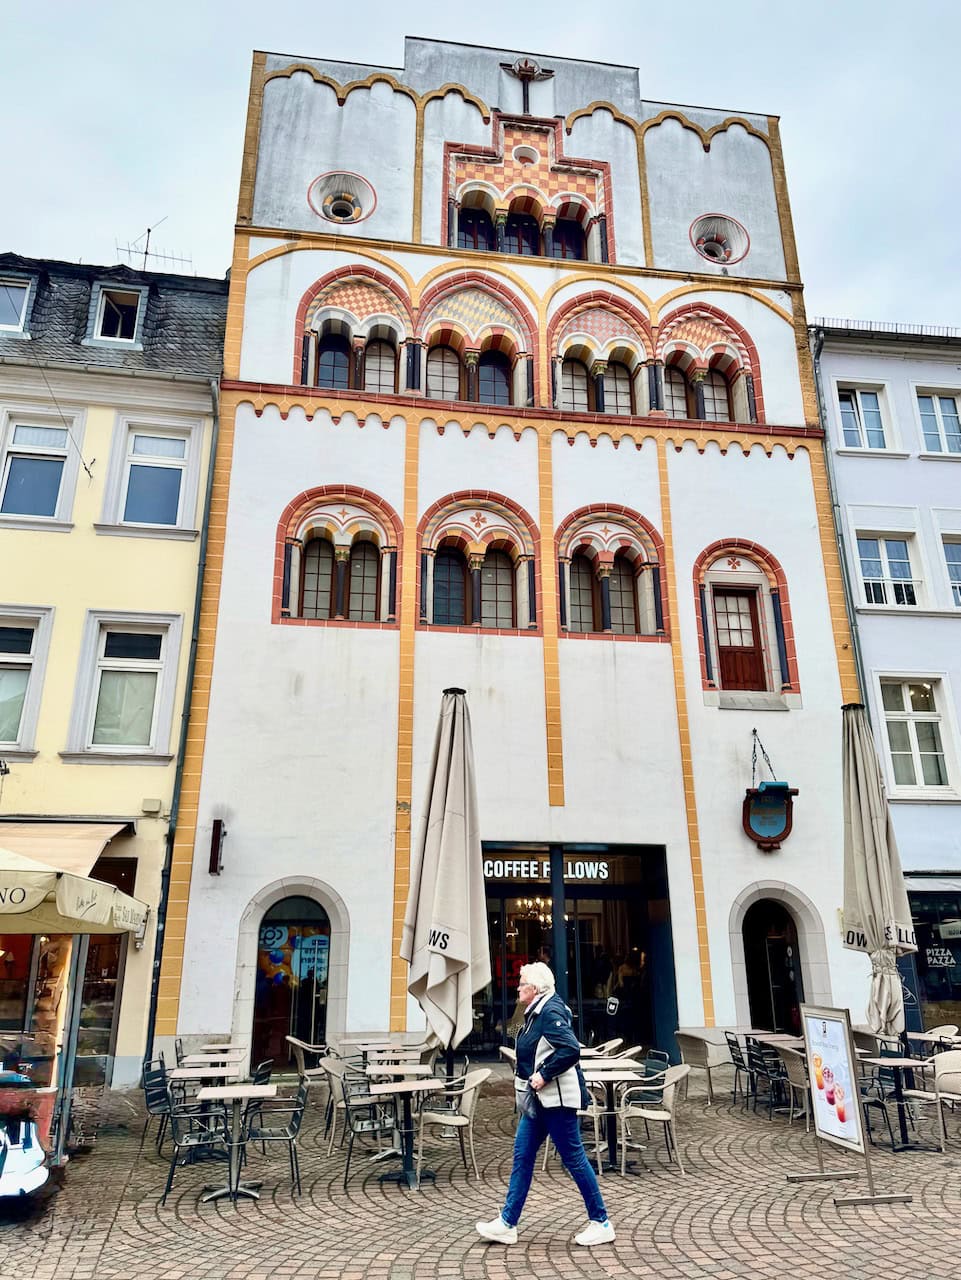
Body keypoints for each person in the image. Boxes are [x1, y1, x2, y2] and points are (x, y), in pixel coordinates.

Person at [475, 962, 615, 1248]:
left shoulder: (549, 1011)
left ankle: (601, 1222)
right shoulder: (536, 1011)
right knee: (522, 1156)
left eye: (522, 982)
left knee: (574, 1159)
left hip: (556, 1101)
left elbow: (570, 1050)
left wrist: (543, 1075)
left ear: (535, 988)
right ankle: (507, 1223)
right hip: (539, 1102)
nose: (517, 986)